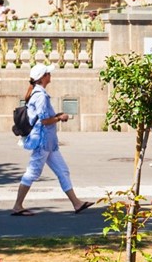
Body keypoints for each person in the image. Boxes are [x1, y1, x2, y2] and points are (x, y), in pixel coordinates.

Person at [10, 63, 93, 215]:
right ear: (43, 77)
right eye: (48, 73)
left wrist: (56, 116)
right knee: (33, 172)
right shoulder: (40, 95)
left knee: (63, 171)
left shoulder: (38, 93)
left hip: (49, 142)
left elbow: (45, 118)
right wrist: (60, 118)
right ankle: (17, 206)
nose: (50, 75)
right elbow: (43, 120)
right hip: (43, 141)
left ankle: (77, 203)